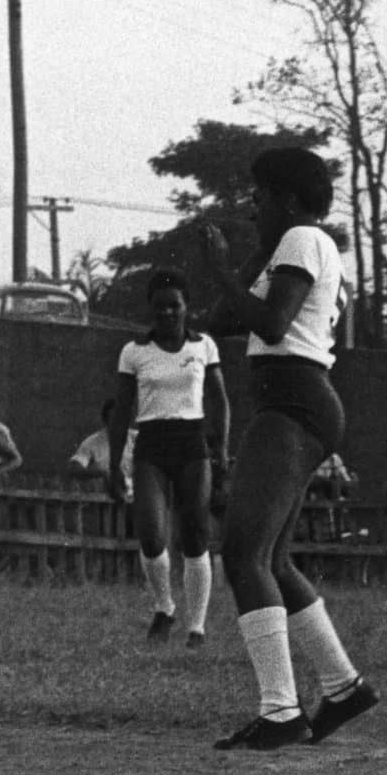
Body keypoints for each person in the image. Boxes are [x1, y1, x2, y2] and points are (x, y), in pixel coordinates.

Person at [198, 146, 376, 750]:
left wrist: (221, 269)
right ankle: (344, 687)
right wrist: (244, 263)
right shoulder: (292, 245)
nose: (253, 206)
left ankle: (280, 711)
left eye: (261, 195)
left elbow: (272, 324)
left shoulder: (303, 238)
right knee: (272, 561)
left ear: (289, 199)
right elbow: (222, 320)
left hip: (294, 401)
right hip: (301, 401)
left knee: (243, 554)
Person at [108, 269, 229, 648]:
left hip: (192, 445)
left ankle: (197, 627)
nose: (167, 313)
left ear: (186, 307)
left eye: (174, 305)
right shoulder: (134, 351)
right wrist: (114, 464)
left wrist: (222, 450)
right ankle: (164, 607)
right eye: (159, 306)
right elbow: (122, 410)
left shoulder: (204, 346)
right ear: (150, 308)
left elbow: (220, 401)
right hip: (151, 446)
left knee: (195, 534)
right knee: (150, 533)